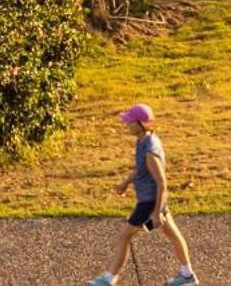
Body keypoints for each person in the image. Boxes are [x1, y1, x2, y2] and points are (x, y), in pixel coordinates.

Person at [85, 102, 199, 286]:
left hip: (149, 202)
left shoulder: (149, 150)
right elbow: (141, 169)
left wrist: (156, 211)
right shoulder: (143, 141)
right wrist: (126, 182)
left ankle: (109, 279)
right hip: (152, 201)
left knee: (124, 235)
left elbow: (162, 183)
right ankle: (187, 275)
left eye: (130, 122)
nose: (127, 125)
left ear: (141, 124)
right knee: (172, 234)